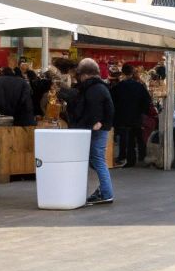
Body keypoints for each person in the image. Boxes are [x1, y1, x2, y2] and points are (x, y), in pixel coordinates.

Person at [65, 58, 115, 204]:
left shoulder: (94, 89)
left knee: (98, 160)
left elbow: (95, 109)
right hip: (97, 128)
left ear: (85, 74)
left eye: (80, 75)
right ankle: (104, 190)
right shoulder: (99, 87)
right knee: (96, 160)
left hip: (95, 129)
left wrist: (98, 123)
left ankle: (106, 193)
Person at [109, 65, 153, 168]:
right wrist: (142, 111)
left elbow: (112, 101)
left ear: (123, 73)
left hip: (122, 116)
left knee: (126, 139)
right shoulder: (139, 86)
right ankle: (142, 157)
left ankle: (127, 158)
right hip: (137, 116)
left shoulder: (118, 87)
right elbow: (147, 100)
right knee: (139, 136)